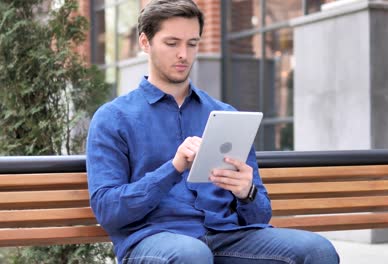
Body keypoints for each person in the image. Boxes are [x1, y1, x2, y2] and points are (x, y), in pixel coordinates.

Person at [86, 0, 340, 263]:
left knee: (317, 250)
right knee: (193, 255)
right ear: (145, 43)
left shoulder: (225, 115)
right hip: (153, 239)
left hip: (226, 237)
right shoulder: (113, 118)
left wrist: (246, 192)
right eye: (172, 43)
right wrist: (173, 168)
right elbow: (108, 211)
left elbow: (260, 217)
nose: (184, 54)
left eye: (192, 43)